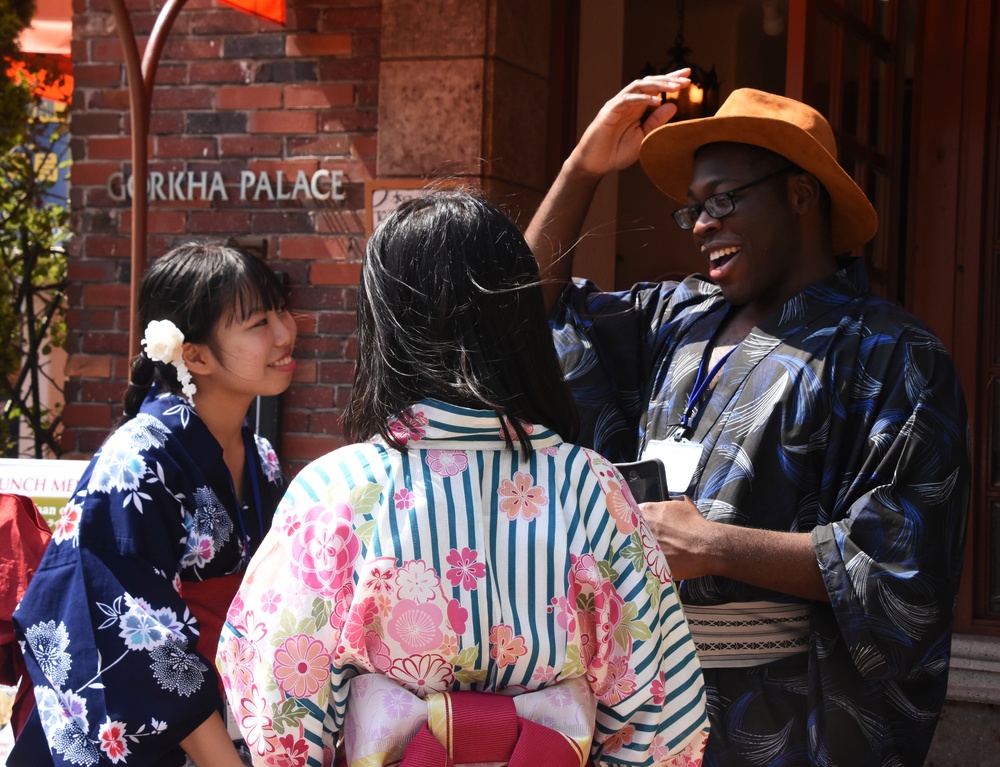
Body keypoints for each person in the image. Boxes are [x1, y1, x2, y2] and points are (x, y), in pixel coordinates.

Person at [525, 75, 971, 766]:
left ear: (800, 194)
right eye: (693, 208)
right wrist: (582, 165)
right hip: (646, 709)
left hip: (789, 726)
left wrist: (715, 544)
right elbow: (525, 316)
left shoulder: (892, 353)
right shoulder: (675, 319)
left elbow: (902, 567)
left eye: (724, 200)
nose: (702, 224)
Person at [217, 190, 709, 766]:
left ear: (384, 327)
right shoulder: (592, 489)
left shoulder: (334, 492)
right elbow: (663, 712)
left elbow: (275, 695)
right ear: (521, 322)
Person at [11, 243, 298, 767]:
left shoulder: (262, 457)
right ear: (194, 354)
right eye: (259, 322)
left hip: (232, 723)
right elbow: (141, 645)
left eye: (281, 309)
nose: (285, 332)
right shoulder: (136, 464)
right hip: (158, 740)